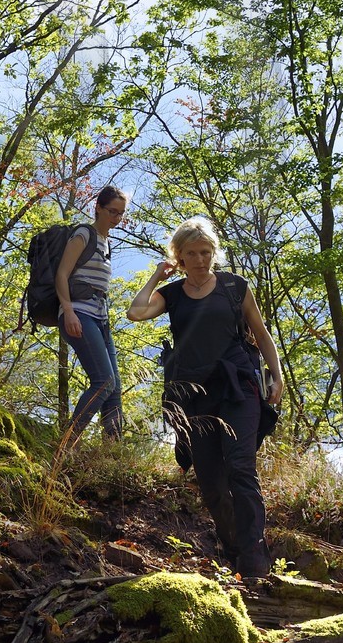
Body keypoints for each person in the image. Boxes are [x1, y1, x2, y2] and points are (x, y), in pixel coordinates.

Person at [127, 216, 284, 578]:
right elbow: (135, 313)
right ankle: (232, 550)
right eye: (192, 254)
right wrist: (157, 277)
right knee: (211, 483)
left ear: (214, 252)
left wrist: (277, 376)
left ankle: (254, 556)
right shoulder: (173, 294)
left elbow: (260, 333)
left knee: (241, 467)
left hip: (237, 387)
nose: (200, 259)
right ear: (179, 258)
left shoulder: (234, 286)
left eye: (206, 252)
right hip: (195, 398)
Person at [57, 186, 128, 444]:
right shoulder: (83, 234)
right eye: (112, 211)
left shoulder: (107, 242)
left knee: (114, 387)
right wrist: (68, 312)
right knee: (103, 381)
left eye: (121, 214)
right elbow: (62, 274)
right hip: (78, 313)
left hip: (100, 320)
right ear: (98, 207)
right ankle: (66, 443)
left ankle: (112, 453)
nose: (117, 218)